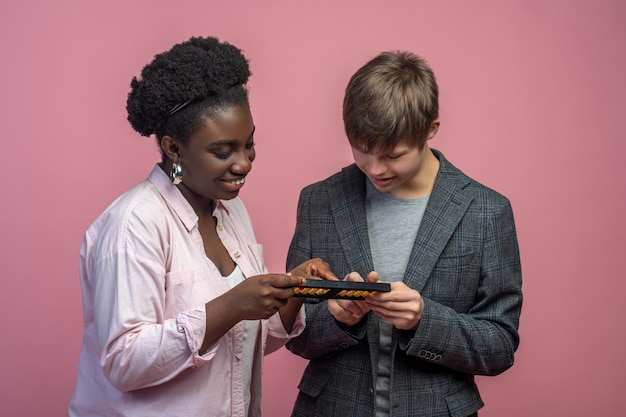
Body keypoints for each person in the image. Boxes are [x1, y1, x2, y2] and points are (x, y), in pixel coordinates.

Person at [69, 36, 336, 417]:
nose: (243, 163)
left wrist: (293, 290)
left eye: (249, 144)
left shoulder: (232, 211)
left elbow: (241, 349)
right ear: (174, 149)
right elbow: (123, 362)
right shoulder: (134, 224)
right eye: (223, 152)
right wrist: (230, 305)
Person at [285, 51, 523, 417]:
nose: (376, 169)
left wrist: (425, 320)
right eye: (362, 151)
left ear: (431, 129)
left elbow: (500, 346)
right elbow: (293, 334)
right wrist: (338, 318)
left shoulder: (486, 211)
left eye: (394, 155)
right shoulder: (319, 201)